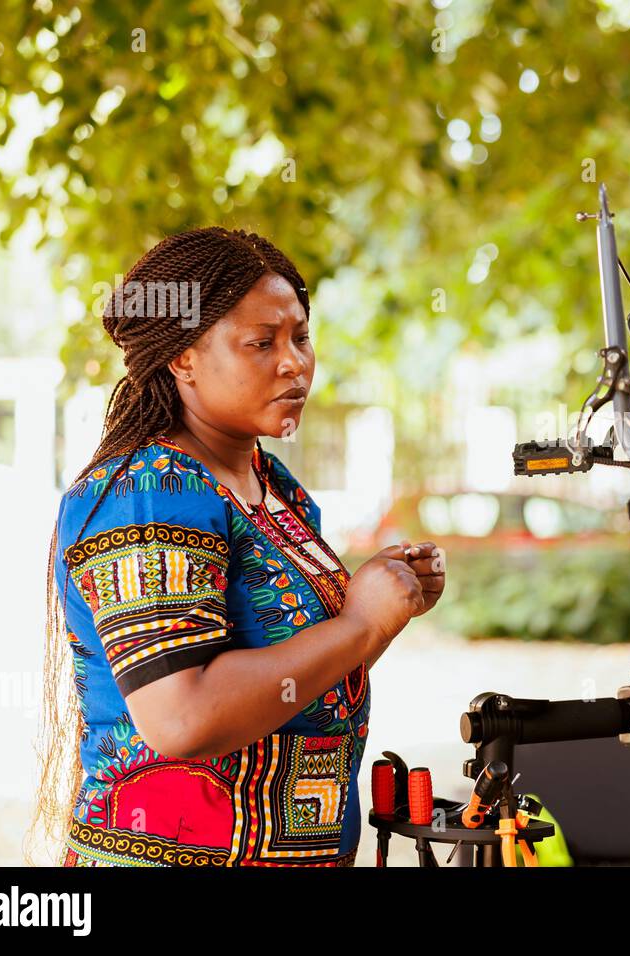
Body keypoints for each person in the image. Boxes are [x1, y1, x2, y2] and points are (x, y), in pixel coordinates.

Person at [30, 226, 444, 866]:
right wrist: (360, 622)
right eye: (261, 343)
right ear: (183, 357)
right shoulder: (149, 493)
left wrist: (383, 608)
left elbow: (298, 678)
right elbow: (183, 717)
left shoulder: (275, 488)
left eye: (301, 337)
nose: (295, 362)